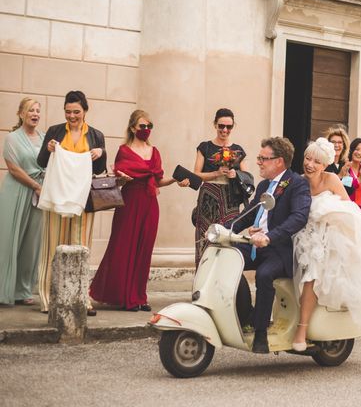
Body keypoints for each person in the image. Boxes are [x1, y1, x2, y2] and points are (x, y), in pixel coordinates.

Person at [292, 138, 361, 351]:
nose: (310, 164)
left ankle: (302, 329)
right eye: (307, 158)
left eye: (316, 161)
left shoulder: (332, 179)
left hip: (330, 237)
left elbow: (348, 209)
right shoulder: (298, 181)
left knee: (313, 275)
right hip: (303, 235)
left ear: (324, 165)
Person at [90, 110, 190, 312]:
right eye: (142, 126)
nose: (146, 130)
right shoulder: (124, 150)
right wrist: (122, 178)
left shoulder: (155, 151)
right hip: (129, 202)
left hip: (150, 203)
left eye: (149, 126)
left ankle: (139, 297)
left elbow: (158, 180)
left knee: (144, 250)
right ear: (133, 127)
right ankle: (124, 297)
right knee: (123, 247)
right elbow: (119, 178)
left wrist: (175, 179)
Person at [230, 137, 311, 353]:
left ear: (279, 162)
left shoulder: (297, 183)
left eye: (263, 159)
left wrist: (270, 237)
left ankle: (260, 332)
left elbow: (299, 217)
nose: (259, 162)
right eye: (259, 158)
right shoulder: (265, 185)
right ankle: (246, 313)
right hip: (257, 245)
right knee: (227, 257)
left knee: (264, 275)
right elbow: (250, 215)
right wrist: (225, 228)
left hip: (280, 250)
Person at [37, 90, 106, 315]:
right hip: (57, 197)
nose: (72, 116)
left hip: (83, 200)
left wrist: (100, 153)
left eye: (76, 112)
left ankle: (81, 297)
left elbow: (99, 169)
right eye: (68, 112)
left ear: (85, 111)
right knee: (52, 249)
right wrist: (48, 150)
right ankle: (47, 298)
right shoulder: (55, 131)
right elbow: (41, 162)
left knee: (81, 248)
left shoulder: (96, 135)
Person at [0, 98, 45, 306]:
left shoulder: (45, 138)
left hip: (38, 195)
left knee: (31, 244)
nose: (34, 114)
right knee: (10, 240)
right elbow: (14, 168)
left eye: (37, 111)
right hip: (17, 191)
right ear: (20, 113)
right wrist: (35, 186)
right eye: (30, 111)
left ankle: (23, 289)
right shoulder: (12, 138)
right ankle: (3, 288)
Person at [193, 108, 250, 267]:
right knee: (206, 236)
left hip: (230, 198)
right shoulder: (205, 147)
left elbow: (247, 176)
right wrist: (216, 173)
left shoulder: (238, 149)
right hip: (208, 197)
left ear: (233, 127)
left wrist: (235, 174)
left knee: (228, 237)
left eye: (229, 127)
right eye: (221, 126)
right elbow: (197, 173)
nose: (225, 130)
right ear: (215, 125)